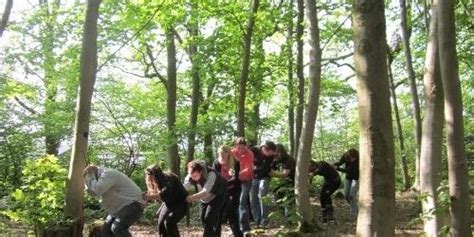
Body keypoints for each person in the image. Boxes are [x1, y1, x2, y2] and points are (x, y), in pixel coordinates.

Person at [83, 165, 145, 237]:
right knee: (105, 231)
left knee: (117, 228)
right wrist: (87, 182)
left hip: (132, 204)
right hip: (118, 209)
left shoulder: (108, 173)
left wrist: (90, 177)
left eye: (88, 175)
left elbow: (98, 189)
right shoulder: (98, 179)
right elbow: (93, 193)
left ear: (92, 173)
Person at [184, 160, 227, 237]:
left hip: (218, 194)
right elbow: (184, 188)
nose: (193, 179)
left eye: (195, 176)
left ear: (200, 172)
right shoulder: (190, 175)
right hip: (204, 198)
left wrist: (191, 197)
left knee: (209, 217)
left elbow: (205, 192)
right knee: (203, 218)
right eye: (191, 176)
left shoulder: (211, 174)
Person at [143, 165, 188, 237]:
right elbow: (154, 195)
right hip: (168, 203)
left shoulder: (169, 179)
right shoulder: (154, 181)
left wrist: (147, 197)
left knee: (169, 221)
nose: (150, 179)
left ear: (157, 175)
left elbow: (163, 194)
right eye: (149, 176)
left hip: (180, 202)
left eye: (152, 176)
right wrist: (146, 197)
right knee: (161, 223)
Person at [212, 145, 243, 237]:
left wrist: (225, 183)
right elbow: (214, 178)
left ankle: (237, 234)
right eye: (220, 153)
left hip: (234, 190)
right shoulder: (216, 163)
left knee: (232, 213)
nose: (222, 155)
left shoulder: (235, 162)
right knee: (218, 214)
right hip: (220, 191)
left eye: (224, 153)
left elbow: (236, 178)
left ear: (228, 153)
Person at [249, 140, 276, 228]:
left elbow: (269, 166)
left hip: (264, 177)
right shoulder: (254, 150)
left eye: (272, 152)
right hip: (254, 177)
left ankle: (265, 221)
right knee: (253, 199)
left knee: (262, 197)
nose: (271, 154)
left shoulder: (271, 156)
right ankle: (257, 221)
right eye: (270, 152)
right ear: (264, 149)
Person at [230, 137, 254, 235]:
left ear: (246, 146)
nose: (241, 150)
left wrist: (237, 175)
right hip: (234, 182)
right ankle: (236, 229)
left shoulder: (249, 154)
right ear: (236, 146)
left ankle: (245, 228)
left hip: (246, 180)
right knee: (234, 203)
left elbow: (248, 169)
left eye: (243, 148)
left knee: (242, 202)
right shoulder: (232, 152)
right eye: (239, 148)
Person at [270, 144, 296, 217]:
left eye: (278, 152)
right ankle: (282, 217)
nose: (276, 154)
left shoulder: (289, 159)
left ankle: (289, 219)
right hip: (281, 183)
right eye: (275, 152)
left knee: (289, 201)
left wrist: (272, 173)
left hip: (291, 182)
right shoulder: (276, 159)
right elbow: (270, 169)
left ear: (282, 151)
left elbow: (285, 174)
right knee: (277, 197)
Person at [334, 148, 359, 218]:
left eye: (353, 158)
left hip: (356, 178)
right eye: (351, 158)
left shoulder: (358, 160)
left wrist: (337, 168)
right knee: (346, 196)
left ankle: (354, 214)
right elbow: (339, 163)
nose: (352, 159)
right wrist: (333, 165)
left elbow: (348, 170)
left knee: (352, 196)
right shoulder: (345, 156)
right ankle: (356, 209)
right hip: (348, 178)